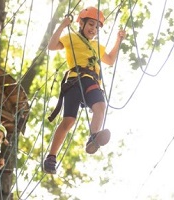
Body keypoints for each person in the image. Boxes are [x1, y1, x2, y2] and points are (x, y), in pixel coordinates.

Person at [44, 6, 126, 174]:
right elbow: (52, 46)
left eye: (96, 27)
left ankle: (94, 137)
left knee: (100, 107)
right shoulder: (72, 38)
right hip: (75, 80)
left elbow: (109, 60)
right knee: (69, 121)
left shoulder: (96, 45)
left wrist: (118, 40)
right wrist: (63, 25)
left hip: (91, 81)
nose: (93, 29)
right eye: (90, 24)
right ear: (81, 23)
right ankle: (51, 157)